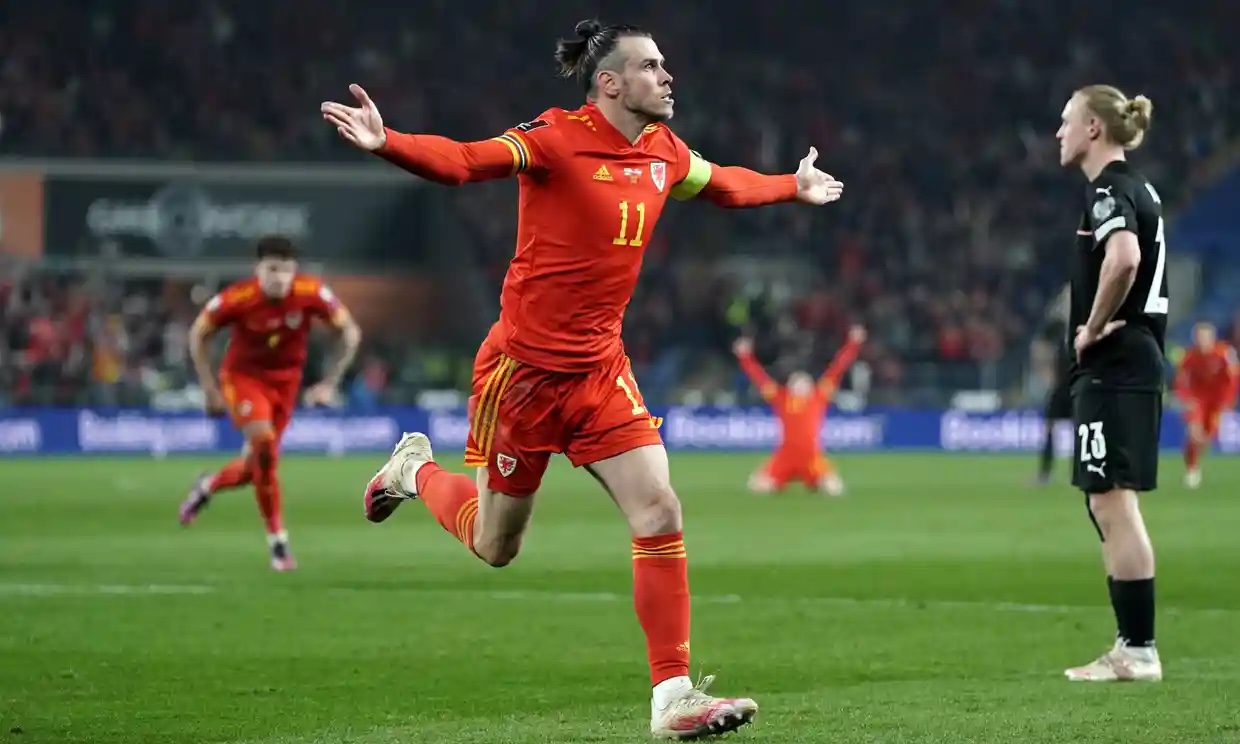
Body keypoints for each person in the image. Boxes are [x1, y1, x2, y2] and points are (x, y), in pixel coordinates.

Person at [321, 19, 843, 739]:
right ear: (609, 82)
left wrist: (792, 185)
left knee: (659, 510)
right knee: (496, 546)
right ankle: (414, 471)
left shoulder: (663, 150)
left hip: (600, 371)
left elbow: (724, 183)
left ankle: (672, 697)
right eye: (650, 66)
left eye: (665, 64)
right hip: (524, 376)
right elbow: (467, 161)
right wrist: (391, 143)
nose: (666, 75)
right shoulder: (554, 138)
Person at [1057, 84, 1165, 682]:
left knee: (1112, 502)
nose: (1059, 133)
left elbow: (1123, 258)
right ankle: (1133, 645)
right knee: (1107, 502)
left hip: (1117, 364)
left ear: (1094, 128)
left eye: (1067, 121)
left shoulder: (1109, 190)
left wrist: (1092, 328)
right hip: (1132, 364)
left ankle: (1137, 649)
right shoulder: (1139, 187)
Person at [180, 236, 361, 571]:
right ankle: (278, 543)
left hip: (286, 386)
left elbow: (350, 332)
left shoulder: (310, 292)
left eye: (286, 270)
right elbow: (198, 333)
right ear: (258, 269)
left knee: (256, 468)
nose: (279, 278)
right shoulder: (238, 298)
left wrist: (329, 384)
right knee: (263, 445)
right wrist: (209, 389)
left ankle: (207, 485)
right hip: (243, 380)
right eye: (273, 269)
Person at [733, 326, 865, 496]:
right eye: (797, 381)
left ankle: (813, 481)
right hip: (785, 457)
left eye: (805, 381)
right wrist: (745, 356)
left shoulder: (819, 395)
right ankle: (796, 481)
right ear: (790, 385)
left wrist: (853, 343)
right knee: (756, 487)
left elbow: (838, 367)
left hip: (811, 457)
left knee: (835, 490)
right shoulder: (780, 398)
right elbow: (759, 378)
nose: (802, 384)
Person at [1174, 321, 1239, 488]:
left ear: (1212, 338)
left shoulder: (1224, 353)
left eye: (1204, 337)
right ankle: (1192, 468)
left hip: (1216, 402)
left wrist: (1227, 400)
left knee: (1205, 436)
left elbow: (1232, 378)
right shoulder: (1190, 356)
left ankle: (1194, 461)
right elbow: (1181, 380)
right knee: (1194, 433)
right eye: (1199, 337)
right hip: (1197, 400)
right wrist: (1185, 399)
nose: (1201, 340)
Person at [1036, 284, 1073, 485]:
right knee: (1049, 427)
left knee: (1082, 430)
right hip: (1060, 385)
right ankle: (1045, 474)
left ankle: (1078, 473)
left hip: (1079, 385)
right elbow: (1040, 346)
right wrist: (1046, 371)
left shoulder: (1087, 321)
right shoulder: (1057, 326)